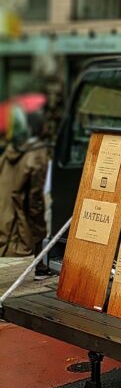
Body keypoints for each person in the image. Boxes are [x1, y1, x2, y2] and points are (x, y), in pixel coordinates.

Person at [0, 108, 49, 275]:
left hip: (6, 200)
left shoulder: (13, 147)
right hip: (23, 202)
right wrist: (36, 210)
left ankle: (40, 268)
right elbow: (36, 188)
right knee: (38, 231)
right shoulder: (38, 151)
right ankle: (40, 269)